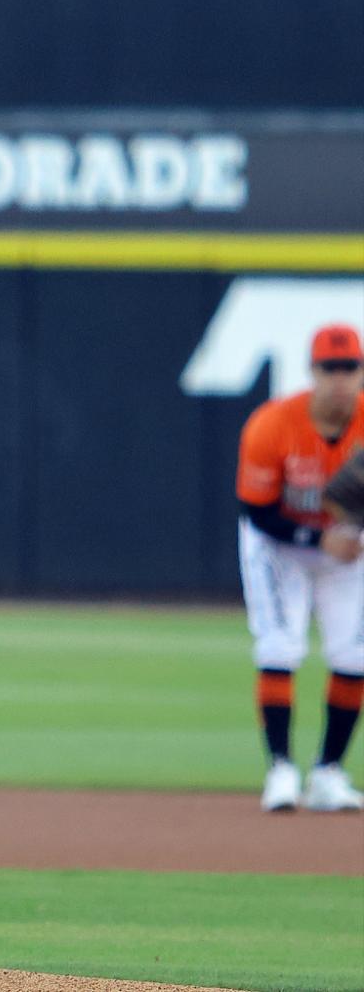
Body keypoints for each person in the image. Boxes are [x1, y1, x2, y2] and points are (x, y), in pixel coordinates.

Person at [235, 323, 364, 813]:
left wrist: (346, 537)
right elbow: (257, 509)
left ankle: (329, 773)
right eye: (329, 368)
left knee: (354, 656)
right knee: (279, 646)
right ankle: (282, 771)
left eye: (349, 367)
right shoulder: (273, 425)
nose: (339, 378)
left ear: (360, 371)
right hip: (279, 544)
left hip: (348, 546)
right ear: (312, 371)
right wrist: (318, 538)